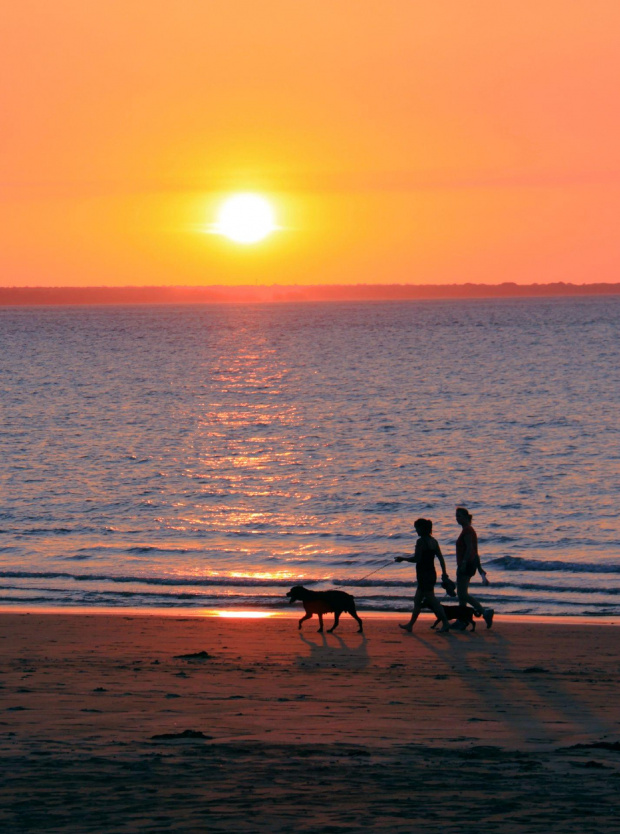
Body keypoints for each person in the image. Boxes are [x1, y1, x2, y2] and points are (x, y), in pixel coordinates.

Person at [394, 518, 451, 633]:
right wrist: (444, 572)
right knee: (417, 600)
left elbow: (417, 559)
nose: (416, 531)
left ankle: (445, 623)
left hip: (423, 574)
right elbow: (440, 558)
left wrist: (403, 559)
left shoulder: (420, 541)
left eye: (417, 528)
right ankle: (410, 625)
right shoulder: (434, 541)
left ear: (422, 529)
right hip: (431, 573)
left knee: (432, 600)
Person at [454, 507, 494, 628]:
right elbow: (476, 551)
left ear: (466, 517)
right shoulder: (467, 530)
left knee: (463, 595)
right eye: (456, 516)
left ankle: (484, 612)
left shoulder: (467, 531)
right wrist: (479, 568)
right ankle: (462, 620)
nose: (457, 518)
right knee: (462, 595)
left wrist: (464, 563)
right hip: (468, 564)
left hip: (466, 565)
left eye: (459, 516)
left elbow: (470, 549)